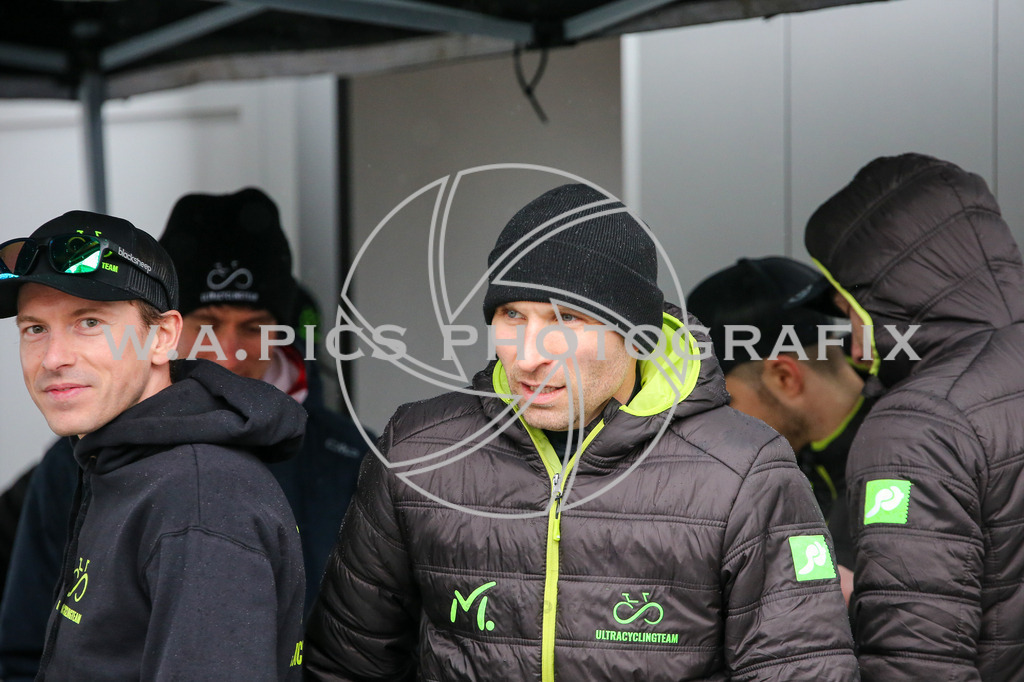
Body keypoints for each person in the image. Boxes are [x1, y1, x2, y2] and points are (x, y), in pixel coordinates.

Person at [305, 183, 857, 680]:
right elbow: (346, 666)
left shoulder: (742, 469)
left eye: (567, 319)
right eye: (513, 316)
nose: (529, 355)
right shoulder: (420, 450)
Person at [0, 188, 368, 681]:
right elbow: (27, 650)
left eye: (89, 322)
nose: (230, 351)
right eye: (34, 329)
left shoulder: (222, 492)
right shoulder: (83, 459)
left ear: (162, 335)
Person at [804, 152, 1024, 680]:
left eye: (848, 311)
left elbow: (913, 659)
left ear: (888, 297)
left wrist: (855, 601)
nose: (854, 346)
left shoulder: (919, 426)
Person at [687, 256, 879, 602]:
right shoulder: (789, 460)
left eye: (723, 404)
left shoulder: (899, 461)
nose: (712, 427)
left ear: (784, 378)